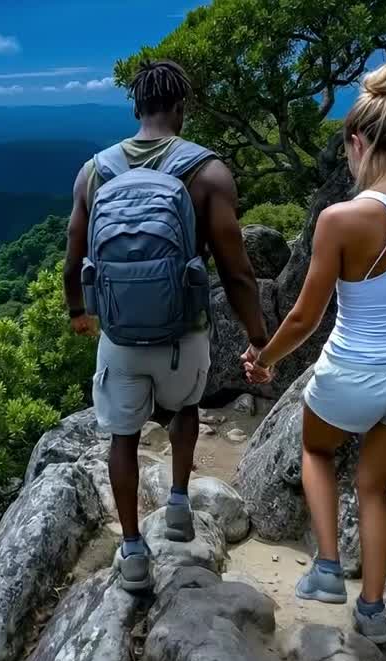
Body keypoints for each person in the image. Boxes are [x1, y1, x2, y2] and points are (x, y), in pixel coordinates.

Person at [242, 62, 386, 643]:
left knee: (316, 451)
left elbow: (304, 316)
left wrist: (266, 359)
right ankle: (373, 609)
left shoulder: (340, 219)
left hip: (352, 370)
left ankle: (323, 566)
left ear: (358, 141)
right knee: (374, 486)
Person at [64, 60, 269, 594]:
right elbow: (236, 268)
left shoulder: (94, 172)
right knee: (184, 409)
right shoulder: (208, 173)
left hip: (121, 336)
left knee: (123, 438)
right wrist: (258, 336)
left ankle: (132, 552)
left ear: (136, 109)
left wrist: (77, 312)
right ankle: (178, 506)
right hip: (185, 333)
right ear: (182, 108)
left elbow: (73, 256)